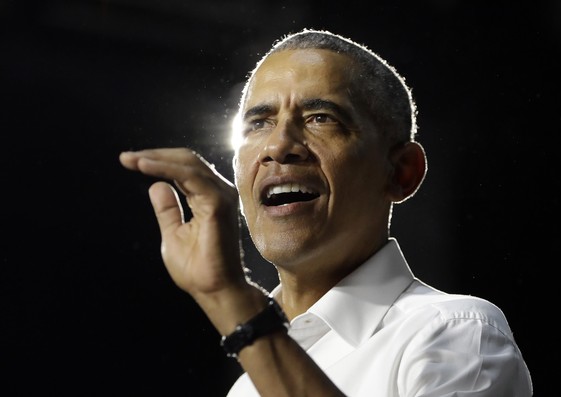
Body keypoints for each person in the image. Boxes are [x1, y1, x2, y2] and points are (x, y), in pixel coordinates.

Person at [119, 28, 533, 396]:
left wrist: (232, 300)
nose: (279, 146)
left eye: (321, 118)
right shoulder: (248, 386)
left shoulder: (454, 333)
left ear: (401, 172)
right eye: (258, 123)